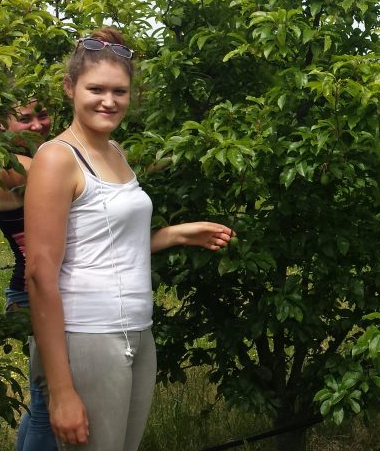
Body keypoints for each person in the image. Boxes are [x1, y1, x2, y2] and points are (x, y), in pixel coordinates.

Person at [24, 27, 235, 450]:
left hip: (138, 329)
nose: (109, 100)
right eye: (96, 88)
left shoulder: (114, 150)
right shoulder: (56, 158)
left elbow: (107, 244)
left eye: (119, 91)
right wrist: (62, 392)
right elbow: (39, 275)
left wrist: (175, 234)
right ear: (70, 87)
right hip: (89, 335)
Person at [0, 99, 57, 451]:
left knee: (43, 398)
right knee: (50, 404)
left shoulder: (6, 163)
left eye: (42, 115)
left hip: (27, 291)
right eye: (24, 119)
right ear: (1, 126)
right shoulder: (22, 168)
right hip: (36, 293)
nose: (37, 125)